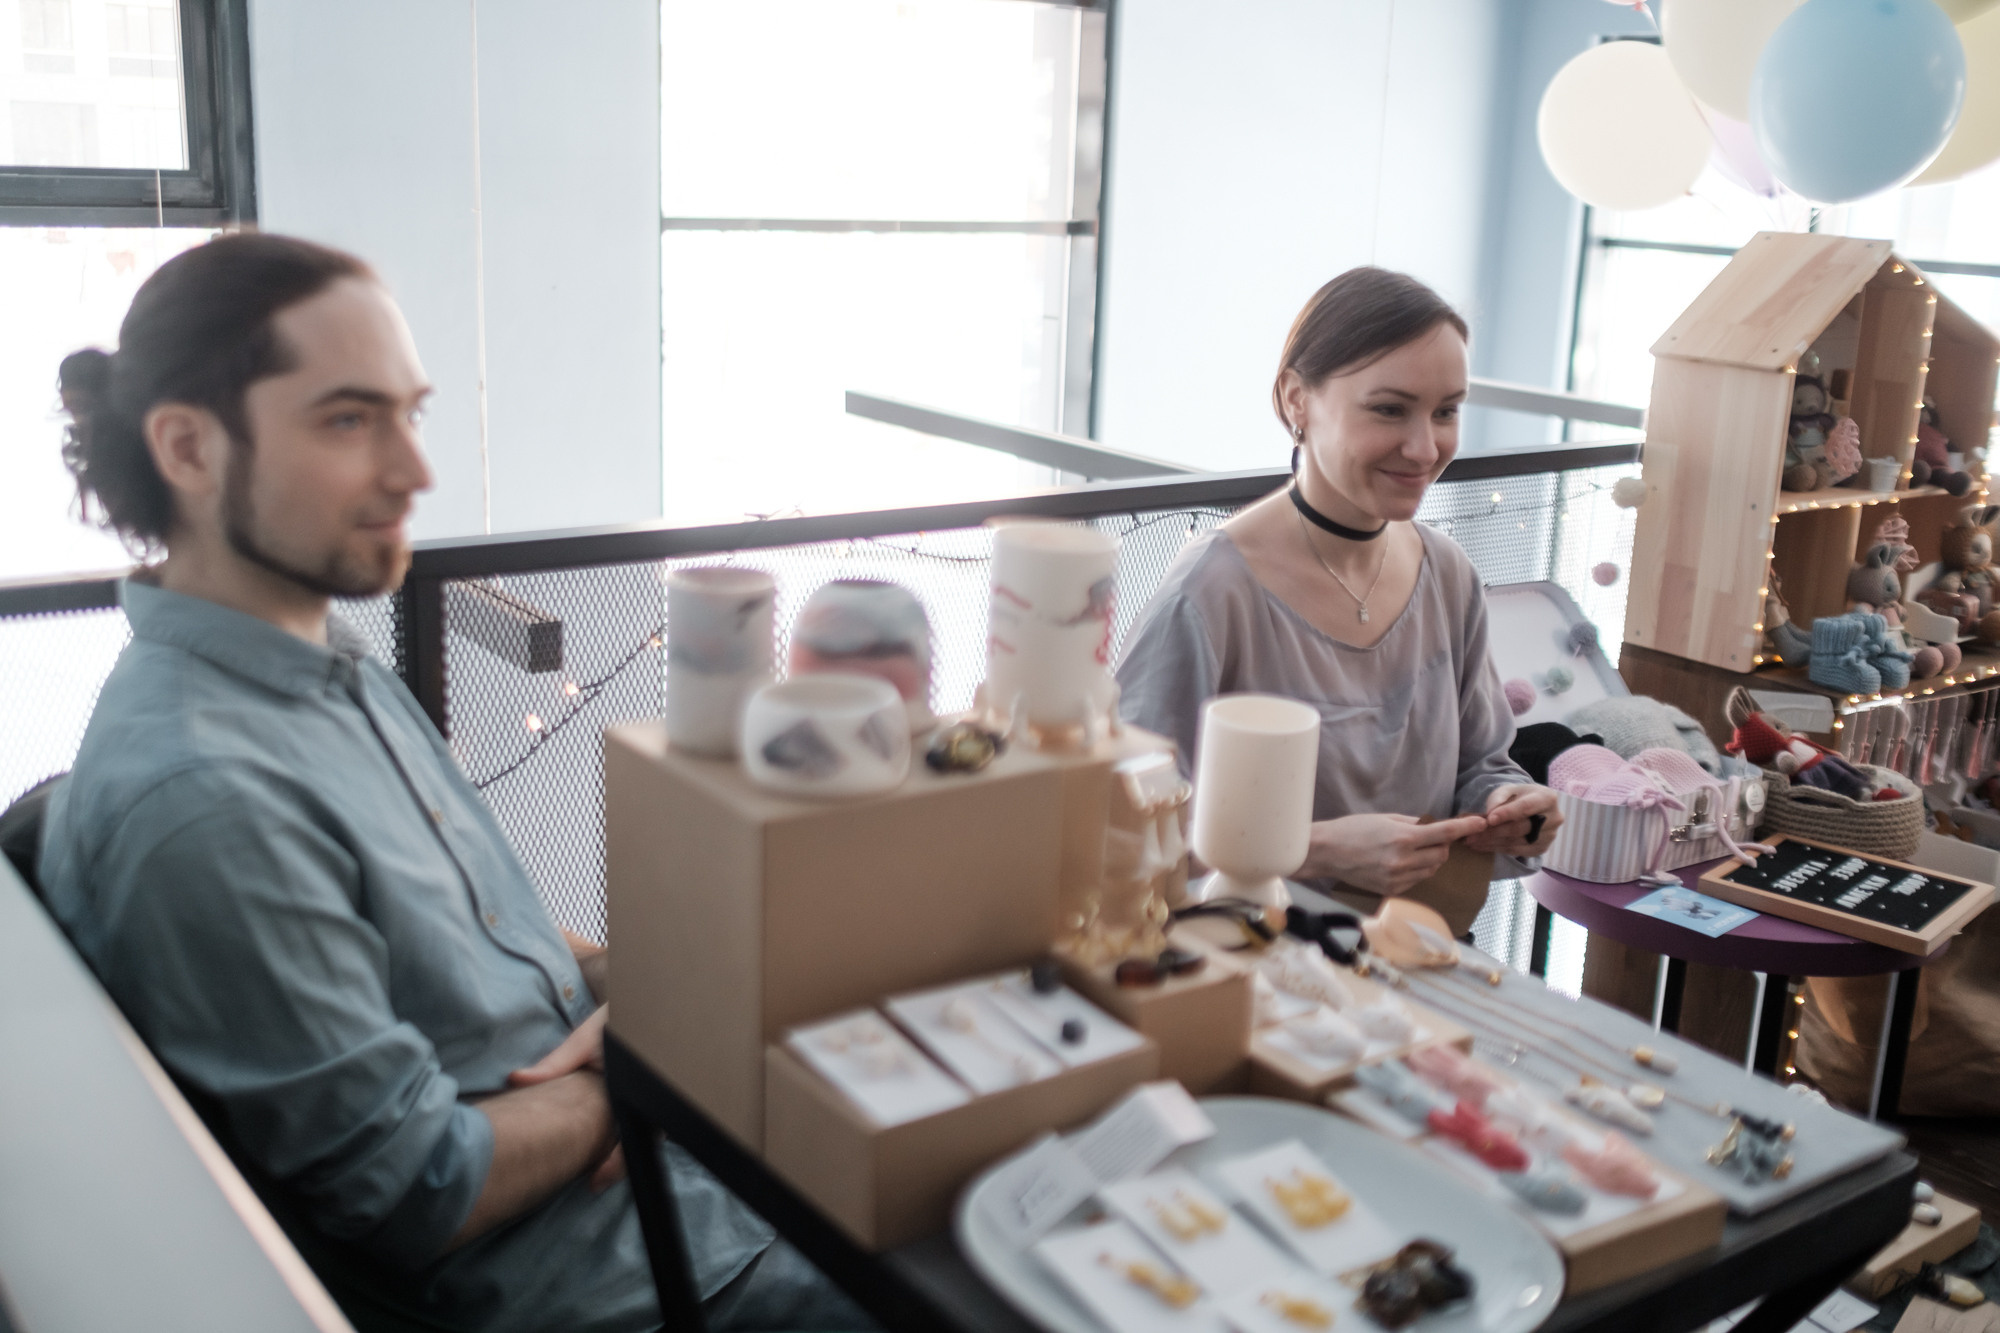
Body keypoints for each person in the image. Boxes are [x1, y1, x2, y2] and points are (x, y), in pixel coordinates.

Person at [37, 234, 869, 1333]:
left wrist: (671, 980)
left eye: (410, 413)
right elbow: (415, 1186)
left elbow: (484, 951)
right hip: (639, 1288)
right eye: (347, 419)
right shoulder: (207, 795)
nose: (415, 472)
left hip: (686, 1198)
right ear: (188, 448)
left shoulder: (325, 669)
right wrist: (647, 1059)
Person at [1116, 267, 1562, 934]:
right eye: (1388, 409)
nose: (1425, 447)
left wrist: (1506, 801)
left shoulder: (1449, 576)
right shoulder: (1210, 592)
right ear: (1297, 399)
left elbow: (1479, 761)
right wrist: (1313, 848)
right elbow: (1122, 826)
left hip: (1421, 957)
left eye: (1446, 411)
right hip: (1252, 970)